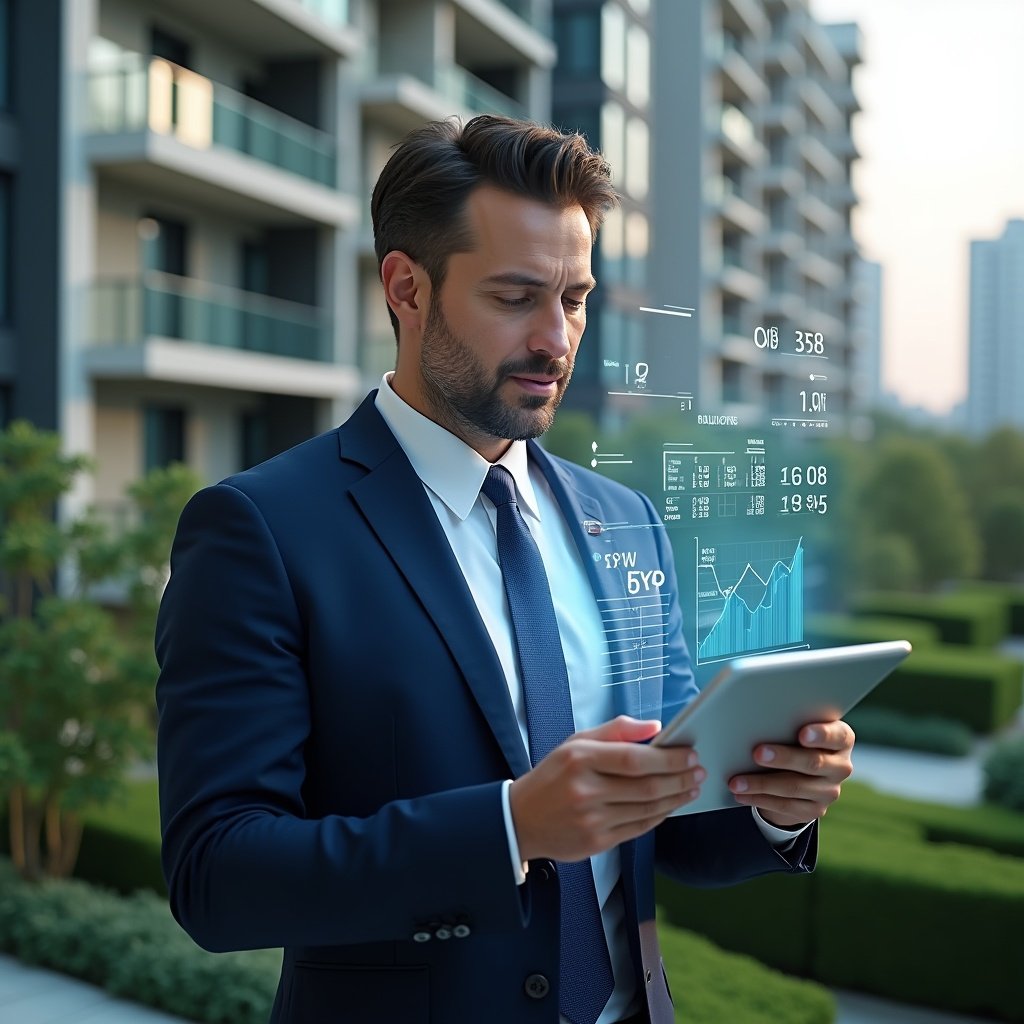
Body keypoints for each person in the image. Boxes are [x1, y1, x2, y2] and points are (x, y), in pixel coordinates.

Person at [155, 115, 854, 1024]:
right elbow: (219, 876)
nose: (556, 340)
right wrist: (512, 829)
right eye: (516, 296)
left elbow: (671, 818)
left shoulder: (627, 523)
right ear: (406, 288)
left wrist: (775, 803)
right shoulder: (260, 529)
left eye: (574, 298)